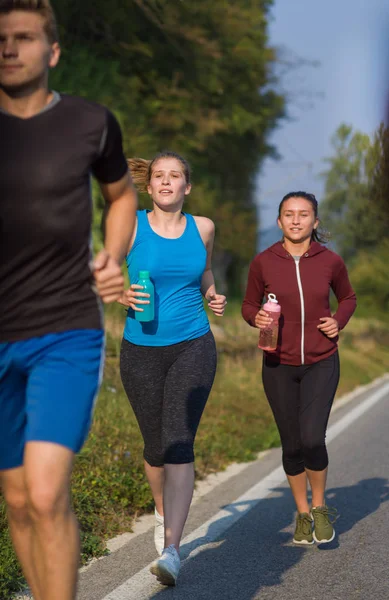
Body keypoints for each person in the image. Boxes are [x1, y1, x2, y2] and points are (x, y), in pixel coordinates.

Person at [0, 2, 138, 600]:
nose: (9, 48)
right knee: (17, 499)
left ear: (51, 51)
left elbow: (122, 195)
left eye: (24, 37)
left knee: (48, 490)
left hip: (65, 328)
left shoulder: (91, 122)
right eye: (0, 38)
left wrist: (111, 256)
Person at [119, 151, 227, 586]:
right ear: (149, 187)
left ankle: (173, 550)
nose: (166, 182)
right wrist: (120, 294)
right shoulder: (129, 227)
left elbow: (204, 272)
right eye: (159, 176)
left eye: (175, 176)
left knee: (179, 441)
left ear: (187, 186)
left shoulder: (203, 228)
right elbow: (97, 272)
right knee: (155, 448)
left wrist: (213, 293)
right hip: (140, 349)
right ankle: (162, 510)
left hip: (194, 345)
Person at [242, 191, 356, 545]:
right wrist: (255, 317)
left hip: (321, 361)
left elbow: (348, 298)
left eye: (303, 214)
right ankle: (302, 514)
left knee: (311, 438)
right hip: (277, 363)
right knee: (291, 444)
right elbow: (248, 304)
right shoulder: (263, 262)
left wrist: (339, 321)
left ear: (315, 222)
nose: (295, 220)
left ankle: (320, 508)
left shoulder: (330, 261)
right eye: (288, 214)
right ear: (279, 222)